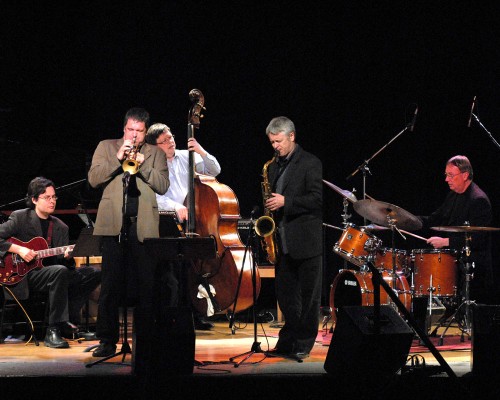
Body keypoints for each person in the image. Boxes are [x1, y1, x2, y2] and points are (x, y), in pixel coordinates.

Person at [88, 108, 169, 358]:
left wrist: (142, 167)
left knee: (146, 285)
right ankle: (107, 340)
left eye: (139, 131)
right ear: (124, 129)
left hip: (142, 225)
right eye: (130, 130)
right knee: (110, 285)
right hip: (114, 224)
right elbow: (93, 179)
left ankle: (145, 339)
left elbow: (163, 186)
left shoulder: (155, 153)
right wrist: (117, 159)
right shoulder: (105, 146)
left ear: (146, 132)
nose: (134, 136)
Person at [0, 177, 101, 348]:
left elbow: (61, 261)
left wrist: (68, 257)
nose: (52, 201)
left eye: (54, 197)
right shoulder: (20, 217)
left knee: (95, 273)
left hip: (50, 272)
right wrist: (19, 250)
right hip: (23, 275)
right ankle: (52, 330)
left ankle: (69, 321)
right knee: (59, 271)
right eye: (47, 197)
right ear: (34, 199)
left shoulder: (61, 227)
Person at [145, 122, 221, 330]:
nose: (170, 142)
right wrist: (175, 206)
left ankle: (194, 312)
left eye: (171, 137)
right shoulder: (150, 166)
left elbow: (214, 171)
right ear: (154, 146)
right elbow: (152, 197)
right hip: (167, 220)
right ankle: (172, 314)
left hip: (193, 220)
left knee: (194, 268)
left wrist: (201, 151)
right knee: (172, 270)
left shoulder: (186, 156)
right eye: (164, 141)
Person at [263, 116, 323, 360]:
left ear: (292, 137)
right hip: (282, 241)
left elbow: (317, 199)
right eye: (272, 142)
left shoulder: (311, 162)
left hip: (306, 241)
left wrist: (287, 202)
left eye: (279, 141)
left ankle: (304, 342)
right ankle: (288, 339)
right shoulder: (274, 165)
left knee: (309, 298)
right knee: (286, 297)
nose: (275, 146)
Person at [418, 155, 494, 305]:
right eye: (446, 175)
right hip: (456, 265)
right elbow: (435, 218)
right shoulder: (454, 195)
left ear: (465, 175)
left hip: (474, 272)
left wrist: (446, 241)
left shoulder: (479, 200)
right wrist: (405, 220)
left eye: (451, 175)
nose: (447, 179)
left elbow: (478, 239)